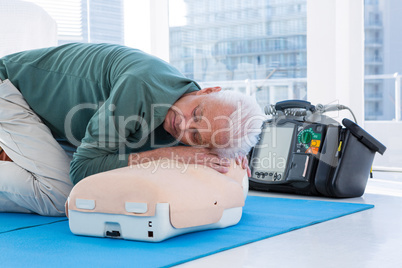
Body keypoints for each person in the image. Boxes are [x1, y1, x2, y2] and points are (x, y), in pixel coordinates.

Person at [0, 43, 265, 216]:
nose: (182, 124)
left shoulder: (195, 118)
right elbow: (82, 171)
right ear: (208, 90)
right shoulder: (141, 87)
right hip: (8, 88)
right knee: (63, 197)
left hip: (48, 120)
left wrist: (226, 153)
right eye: (196, 113)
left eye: (195, 135)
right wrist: (169, 155)